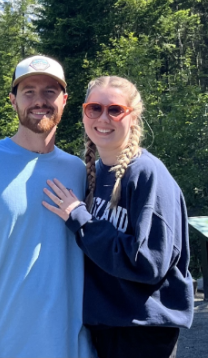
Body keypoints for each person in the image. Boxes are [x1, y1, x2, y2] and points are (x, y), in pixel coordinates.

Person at [0, 55, 95, 358]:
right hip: (1, 346)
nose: (40, 100)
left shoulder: (79, 170)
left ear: (64, 100)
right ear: (13, 100)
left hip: (73, 347)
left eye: (50, 91)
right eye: (29, 91)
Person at [42, 76, 194, 358]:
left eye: (115, 110)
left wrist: (81, 219)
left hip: (142, 333)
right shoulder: (93, 173)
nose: (103, 117)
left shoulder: (147, 174)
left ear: (133, 117)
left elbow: (150, 263)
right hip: (104, 326)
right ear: (84, 114)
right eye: (94, 108)